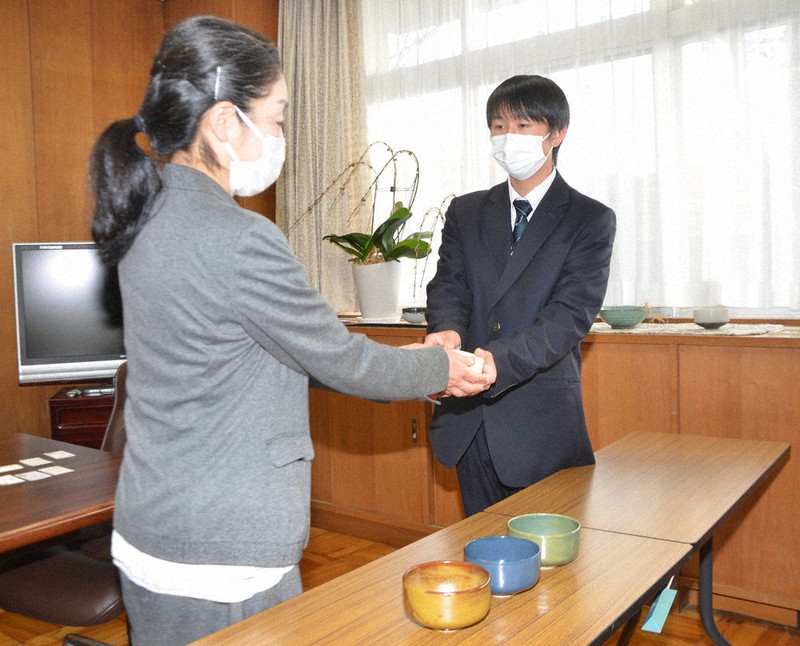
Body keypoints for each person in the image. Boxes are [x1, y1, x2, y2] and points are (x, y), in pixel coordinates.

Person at [89, 16, 495, 645]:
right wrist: (443, 366)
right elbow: (343, 362)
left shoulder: (143, 217)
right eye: (277, 118)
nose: (281, 136)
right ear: (225, 124)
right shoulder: (239, 238)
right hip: (223, 548)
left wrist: (418, 354)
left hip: (152, 526)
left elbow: (267, 355)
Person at [424, 75, 616, 517]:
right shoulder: (467, 210)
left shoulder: (589, 219)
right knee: (482, 554)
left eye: (523, 126)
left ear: (557, 133)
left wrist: (496, 362)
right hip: (467, 419)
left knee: (554, 575)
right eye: (498, 126)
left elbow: (569, 316)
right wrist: (447, 333)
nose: (508, 138)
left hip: (541, 422)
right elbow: (449, 284)